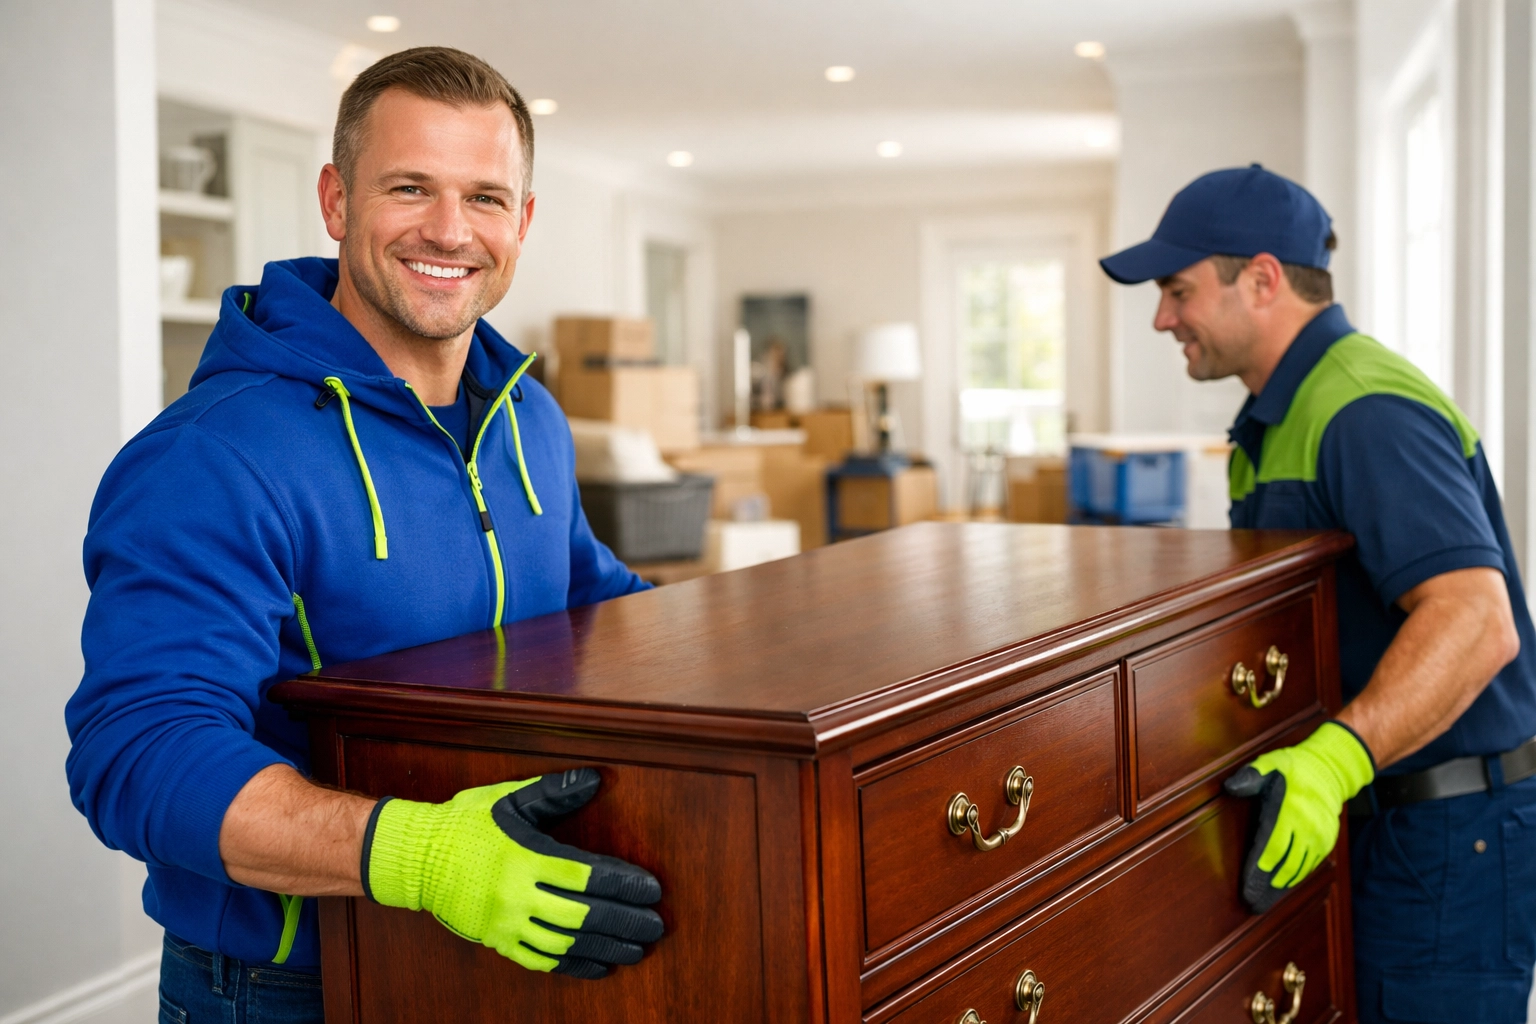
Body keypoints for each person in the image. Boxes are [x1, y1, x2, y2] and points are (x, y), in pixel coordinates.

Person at [66, 47, 665, 1024]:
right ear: (337, 201)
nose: (448, 229)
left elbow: (586, 599)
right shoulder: (214, 457)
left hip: (497, 954)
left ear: (522, 220)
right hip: (288, 986)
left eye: (483, 196)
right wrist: (420, 855)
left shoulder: (530, 420)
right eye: (409, 187)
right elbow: (138, 751)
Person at [1101, 165, 1536, 1023]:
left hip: (1450, 834)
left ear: (1261, 279)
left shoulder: (1364, 410)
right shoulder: (1270, 424)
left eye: (1177, 290)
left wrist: (1333, 760)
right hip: (1373, 816)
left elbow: (1476, 620)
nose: (1161, 317)